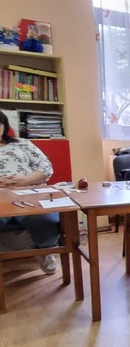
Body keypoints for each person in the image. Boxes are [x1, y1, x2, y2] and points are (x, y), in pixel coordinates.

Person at [0, 110, 60, 274]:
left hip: (30, 194)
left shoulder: (22, 144)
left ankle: (44, 251)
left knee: (47, 221)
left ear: (5, 126)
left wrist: (23, 180)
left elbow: (45, 169)